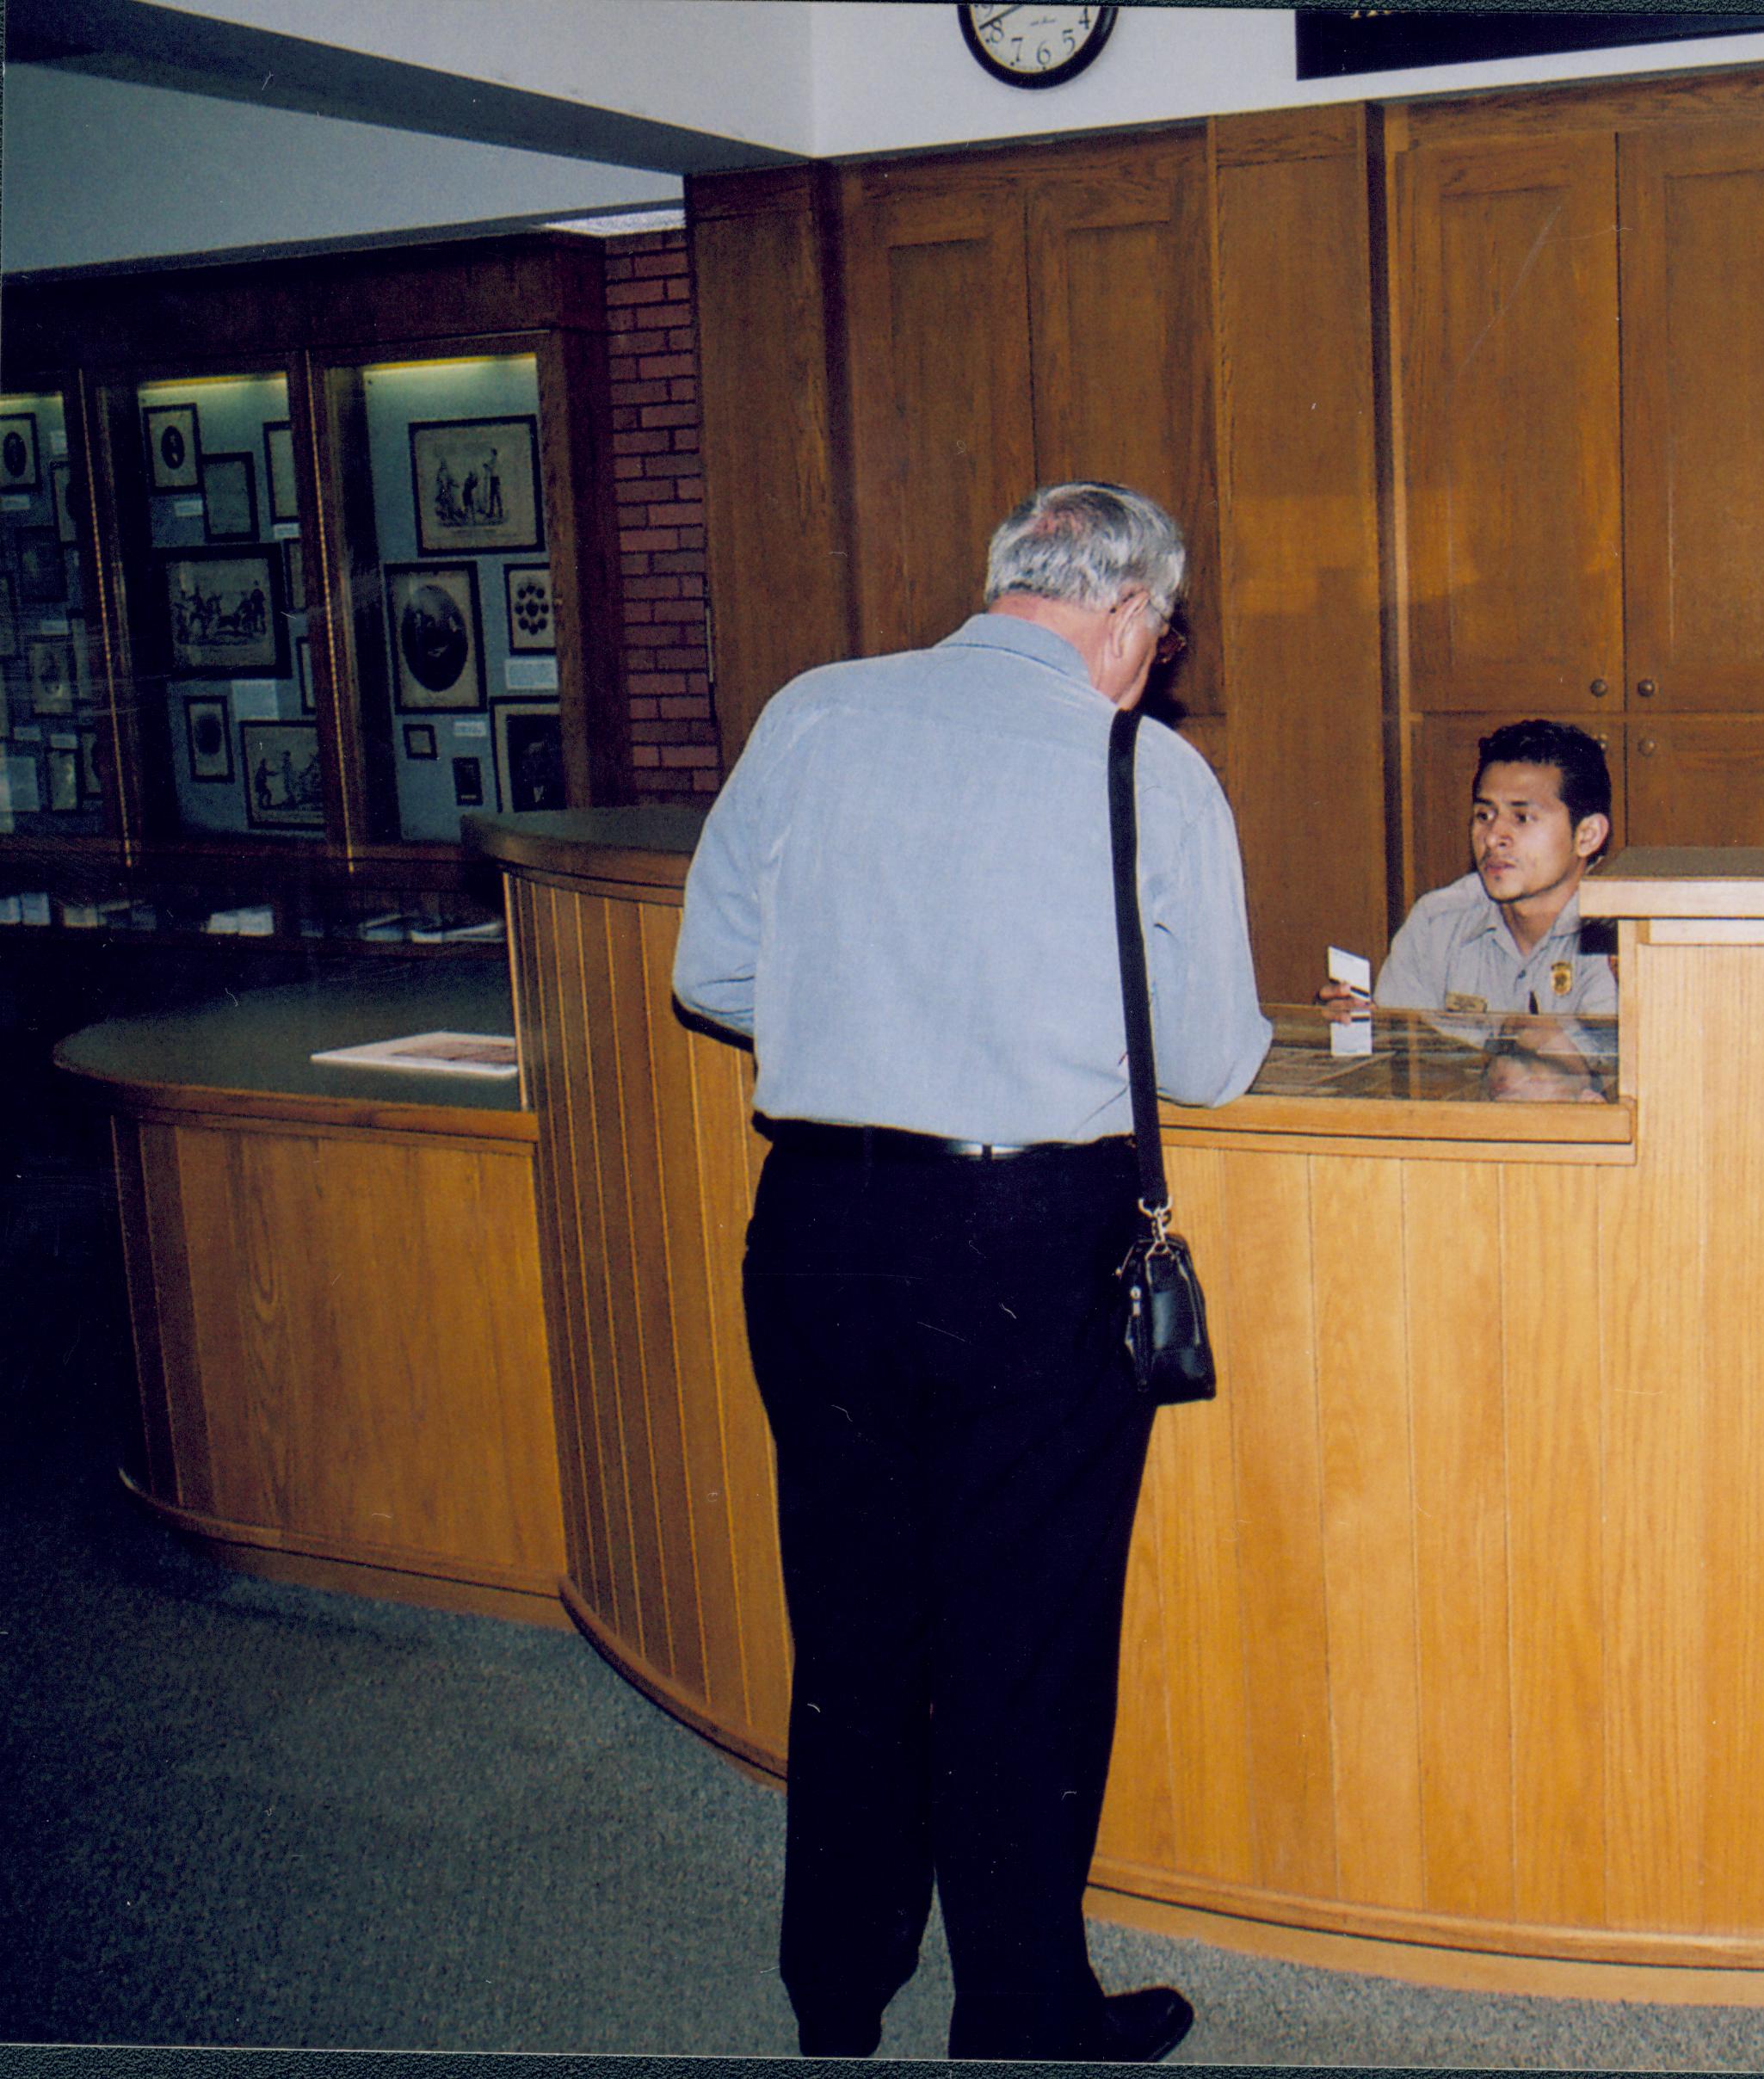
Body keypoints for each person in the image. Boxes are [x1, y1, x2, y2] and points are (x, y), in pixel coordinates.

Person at [671, 482, 1270, 2064]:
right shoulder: (1149, 768)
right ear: (1131, 618)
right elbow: (1209, 1054)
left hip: (818, 1229)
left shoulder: (813, 712)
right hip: (1029, 1245)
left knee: (854, 1622)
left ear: (1007, 584)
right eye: (1165, 631)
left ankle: (838, 1992)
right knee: (1025, 1642)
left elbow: (710, 970)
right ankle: (1017, 2008)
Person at [1322, 718, 1618, 1019]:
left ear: (1587, 835)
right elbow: (1402, 1055)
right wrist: (1359, 1029)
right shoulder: (1437, 922)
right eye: (1484, 815)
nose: (1492, 838)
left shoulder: (1620, 938)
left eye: (1522, 818)